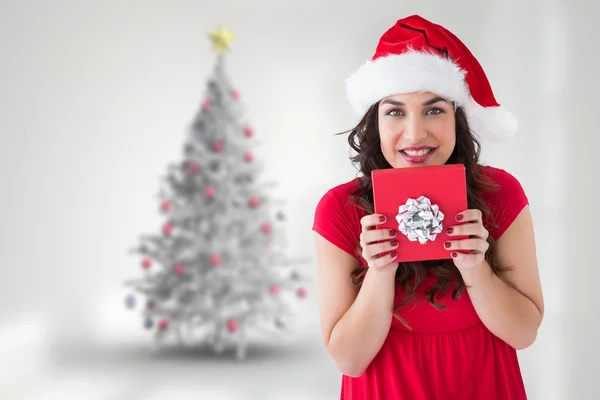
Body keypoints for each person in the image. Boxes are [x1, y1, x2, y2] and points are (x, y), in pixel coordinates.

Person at [312, 15, 544, 399]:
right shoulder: (339, 209)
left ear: (458, 118)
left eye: (434, 110)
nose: (415, 133)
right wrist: (380, 272)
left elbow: (523, 333)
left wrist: (476, 268)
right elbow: (350, 360)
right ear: (375, 122)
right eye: (395, 111)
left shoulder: (501, 193)